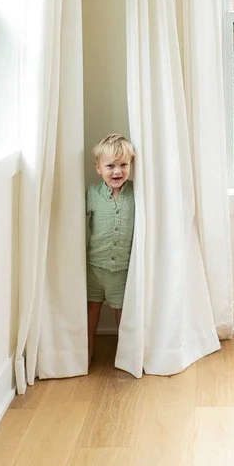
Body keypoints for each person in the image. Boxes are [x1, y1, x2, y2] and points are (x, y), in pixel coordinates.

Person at [86, 133, 135, 367]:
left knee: (122, 316)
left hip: (122, 270)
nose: (117, 172)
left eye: (123, 165)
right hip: (94, 268)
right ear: (98, 168)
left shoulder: (137, 194)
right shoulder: (91, 195)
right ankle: (85, 354)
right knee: (90, 312)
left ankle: (125, 357)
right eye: (110, 166)